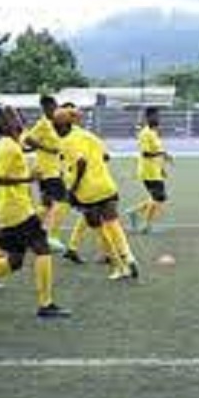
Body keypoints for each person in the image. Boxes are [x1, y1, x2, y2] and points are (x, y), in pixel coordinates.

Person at [0, 107, 70, 318]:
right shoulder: (9, 147)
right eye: (15, 117)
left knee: (15, 260)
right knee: (42, 249)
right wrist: (28, 179)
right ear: (8, 123)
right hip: (17, 210)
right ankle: (46, 304)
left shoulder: (10, 144)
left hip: (11, 209)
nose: (20, 119)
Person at [55, 107, 139, 281]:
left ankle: (119, 266)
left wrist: (72, 189)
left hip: (87, 191)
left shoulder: (66, 141)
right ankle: (128, 255)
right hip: (105, 184)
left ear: (60, 125)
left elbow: (80, 162)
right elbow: (106, 156)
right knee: (113, 222)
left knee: (99, 228)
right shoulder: (88, 135)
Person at [24, 95, 67, 251]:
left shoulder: (55, 123)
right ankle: (51, 236)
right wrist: (46, 148)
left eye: (57, 106)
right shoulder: (42, 124)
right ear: (45, 108)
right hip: (47, 170)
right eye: (53, 107)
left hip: (55, 168)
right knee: (63, 200)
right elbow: (27, 139)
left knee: (46, 204)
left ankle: (29, 232)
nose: (56, 109)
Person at [126, 107, 173, 234]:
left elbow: (156, 151)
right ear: (148, 118)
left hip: (154, 171)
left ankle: (134, 212)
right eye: (154, 116)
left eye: (158, 116)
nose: (157, 118)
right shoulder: (145, 133)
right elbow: (146, 153)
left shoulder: (154, 132)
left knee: (158, 198)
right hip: (148, 172)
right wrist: (162, 153)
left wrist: (161, 167)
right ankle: (146, 225)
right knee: (158, 198)